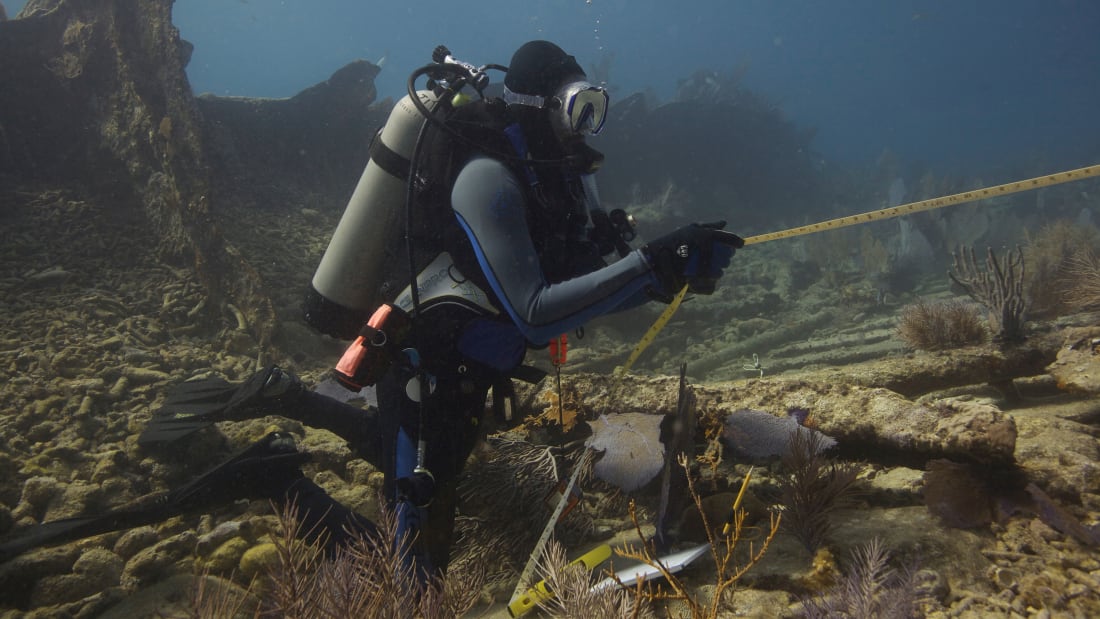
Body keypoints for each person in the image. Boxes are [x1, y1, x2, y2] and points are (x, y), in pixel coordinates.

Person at [140, 40, 743, 578]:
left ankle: (288, 398)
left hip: (471, 367)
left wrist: (663, 279)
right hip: (426, 366)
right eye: (577, 106)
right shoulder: (487, 178)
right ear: (539, 105)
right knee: (414, 577)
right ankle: (279, 480)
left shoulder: (559, 181)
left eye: (594, 109)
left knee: (395, 452)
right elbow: (536, 313)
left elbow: (581, 282)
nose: (585, 126)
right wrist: (649, 267)